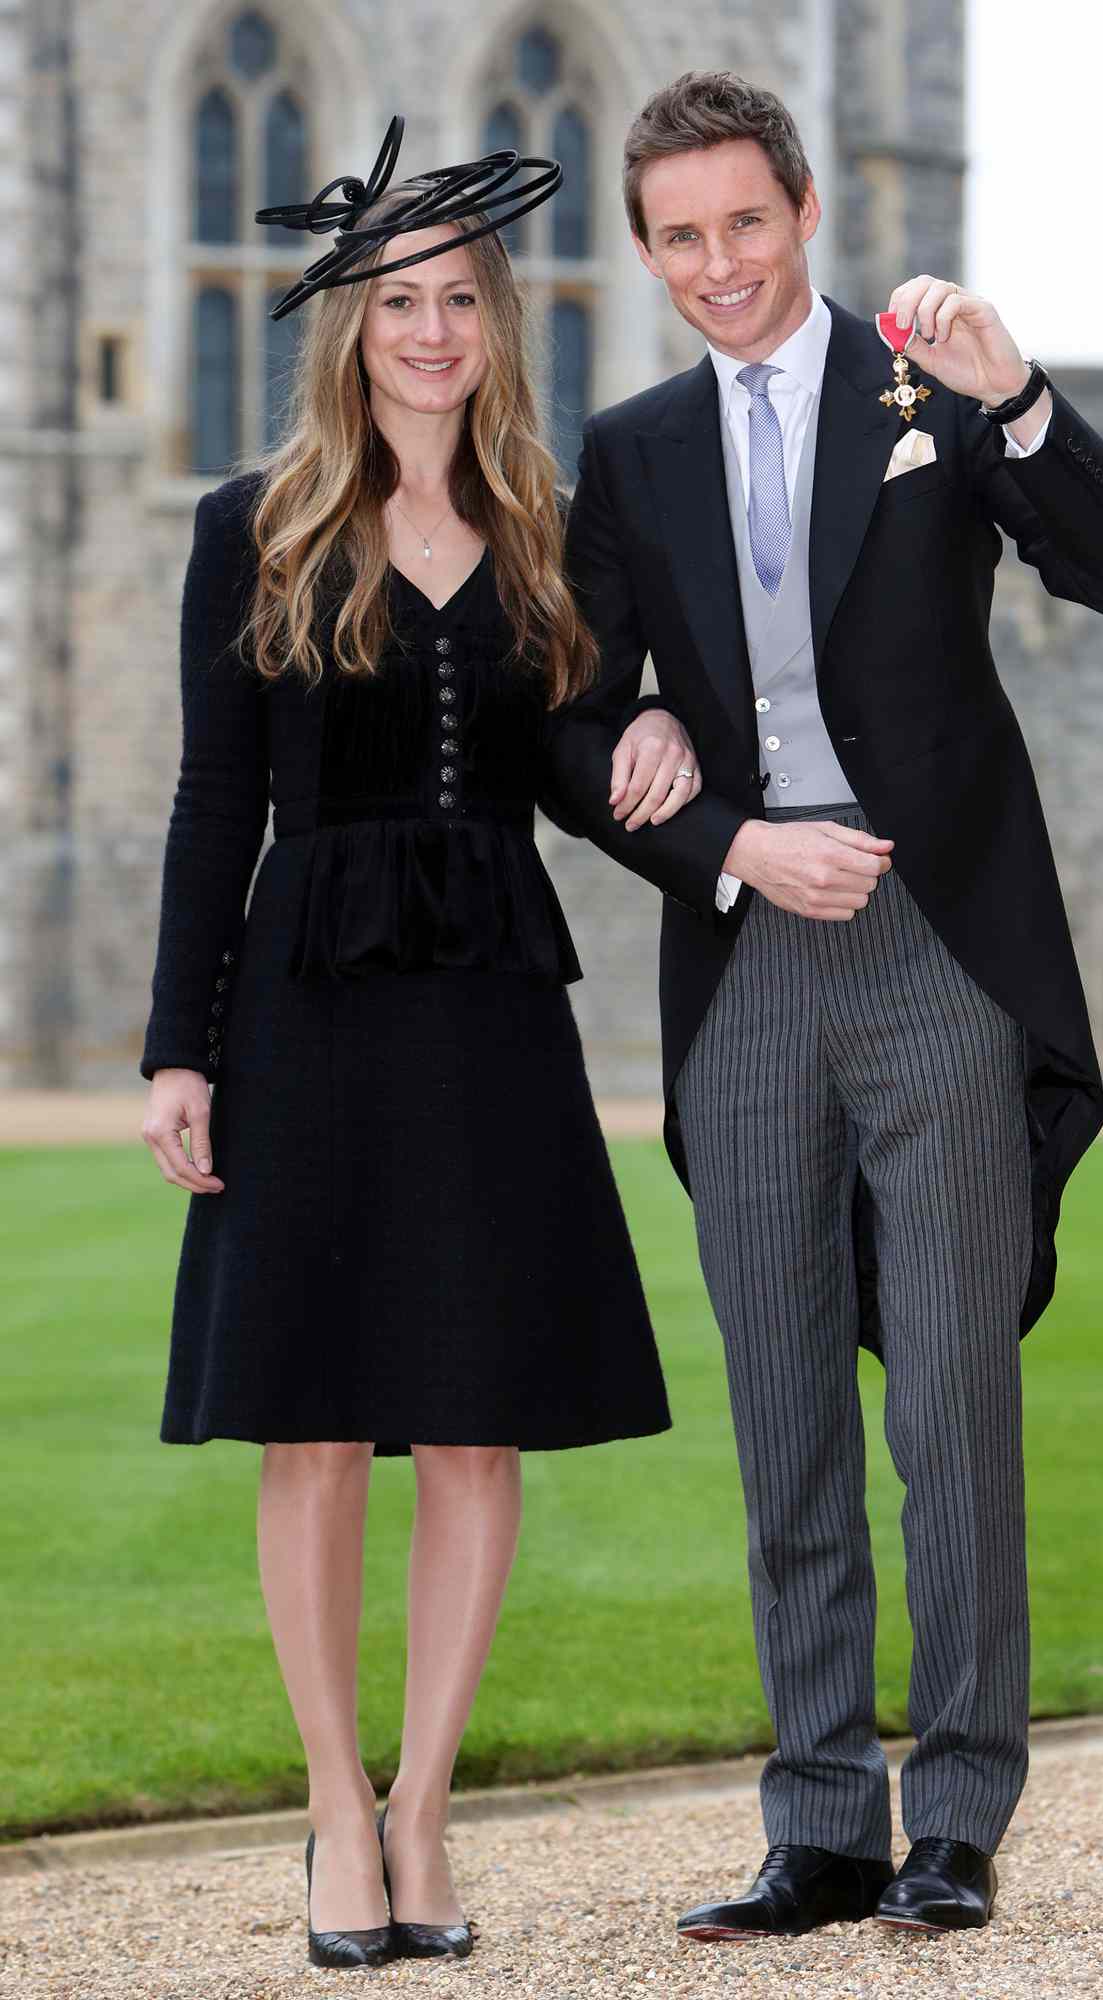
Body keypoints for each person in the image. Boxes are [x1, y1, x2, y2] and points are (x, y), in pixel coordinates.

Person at [543, 72, 1103, 1940]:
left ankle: (960, 1816)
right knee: (784, 1405)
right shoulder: (634, 446)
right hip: (748, 963)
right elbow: (569, 729)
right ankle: (819, 1820)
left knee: (953, 1406)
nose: (718, 264)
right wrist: (725, 833)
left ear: (805, 210)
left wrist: (1020, 395)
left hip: (939, 954)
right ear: (650, 251)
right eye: (679, 236)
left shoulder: (930, 388)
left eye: (747, 222)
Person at [139, 123, 698, 1971]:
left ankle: (425, 1811)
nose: (432, 330)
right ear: (349, 326)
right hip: (302, 999)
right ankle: (327, 1814)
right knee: (308, 1425)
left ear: (497, 323)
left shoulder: (550, 526)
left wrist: (662, 740)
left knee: (471, 1424)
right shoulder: (257, 523)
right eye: (399, 301)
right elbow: (216, 805)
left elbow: (576, 754)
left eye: (461, 299)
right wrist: (177, 1050)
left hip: (487, 1008)